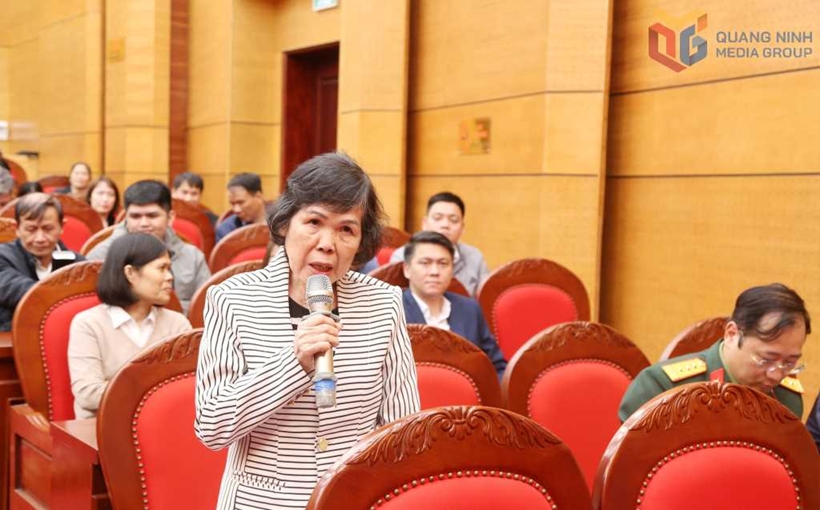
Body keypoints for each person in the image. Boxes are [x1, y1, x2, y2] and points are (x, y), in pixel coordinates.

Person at [195, 152, 420, 508]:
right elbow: (212, 425)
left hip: (354, 499)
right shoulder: (232, 299)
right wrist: (293, 362)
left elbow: (402, 430)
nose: (328, 243)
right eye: (314, 222)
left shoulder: (383, 302)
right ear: (285, 224)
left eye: (346, 229)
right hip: (262, 501)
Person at [619, 283, 810, 422]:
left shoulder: (787, 398)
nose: (776, 375)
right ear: (732, 334)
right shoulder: (661, 387)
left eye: (789, 362)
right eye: (766, 359)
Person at [68, 233, 192, 419]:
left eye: (169, 268)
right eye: (161, 268)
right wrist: (158, 392)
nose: (169, 277)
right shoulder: (88, 324)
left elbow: (188, 386)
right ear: (130, 273)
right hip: (103, 426)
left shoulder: (177, 324)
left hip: (163, 424)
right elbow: (88, 394)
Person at [86, 180, 210, 313]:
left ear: (170, 217)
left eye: (152, 216)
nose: (144, 223)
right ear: (125, 217)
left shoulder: (193, 257)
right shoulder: (100, 256)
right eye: (135, 216)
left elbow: (208, 309)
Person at [402, 231, 507, 377]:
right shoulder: (391, 310)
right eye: (425, 263)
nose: (435, 272)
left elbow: (496, 366)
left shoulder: (470, 309)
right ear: (407, 270)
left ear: (452, 270)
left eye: (443, 263)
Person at [0, 193, 84, 330]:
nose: (40, 238)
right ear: (17, 229)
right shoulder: (3, 257)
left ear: (62, 227)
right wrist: (66, 295)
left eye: (48, 229)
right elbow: (22, 292)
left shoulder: (78, 264)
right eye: (31, 229)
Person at [389, 192, 490, 296]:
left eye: (453, 220)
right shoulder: (402, 256)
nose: (445, 225)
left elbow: (485, 298)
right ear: (425, 224)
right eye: (438, 218)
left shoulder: (475, 256)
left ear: (462, 227)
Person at [215, 172, 267, 242]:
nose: (236, 210)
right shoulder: (227, 229)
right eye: (232, 204)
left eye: (241, 202)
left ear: (258, 196)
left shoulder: (279, 224)